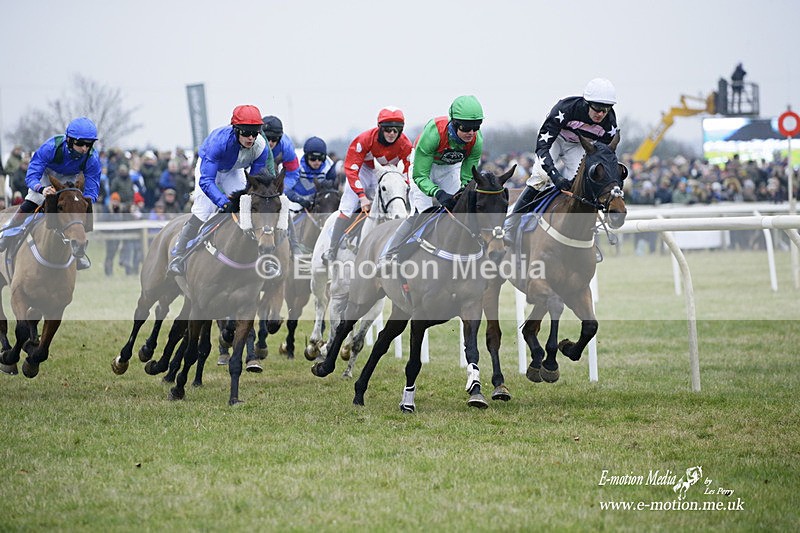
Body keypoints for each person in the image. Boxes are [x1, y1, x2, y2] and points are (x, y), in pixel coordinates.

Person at [167, 104, 275, 275]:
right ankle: (178, 255)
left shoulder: (260, 147)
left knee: (245, 207)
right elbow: (207, 180)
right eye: (246, 132)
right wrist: (222, 202)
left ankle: (261, 256)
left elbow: (255, 184)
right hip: (209, 172)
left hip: (233, 171)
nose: (251, 138)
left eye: (255, 133)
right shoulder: (219, 143)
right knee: (204, 210)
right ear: (236, 129)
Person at [380, 95, 484, 264]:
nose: (471, 133)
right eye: (466, 128)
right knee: (423, 214)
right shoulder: (433, 134)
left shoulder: (476, 141)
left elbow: (467, 177)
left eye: (476, 127)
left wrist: (462, 193)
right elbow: (420, 175)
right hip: (423, 168)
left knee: (459, 210)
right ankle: (389, 253)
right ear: (455, 124)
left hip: (450, 168)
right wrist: (438, 192)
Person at [507, 78, 619, 221]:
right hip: (555, 139)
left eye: (606, 109)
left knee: (582, 184)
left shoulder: (609, 124)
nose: (601, 114)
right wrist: (555, 176)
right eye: (597, 108)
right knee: (541, 177)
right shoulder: (565, 109)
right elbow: (542, 147)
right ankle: (512, 222)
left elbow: (602, 157)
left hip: (578, 145)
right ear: (587, 103)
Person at [0, 117, 101, 270]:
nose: (85, 149)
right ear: (69, 140)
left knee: (81, 210)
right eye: (80, 144)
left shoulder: (92, 158)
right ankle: (7, 234)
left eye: (89, 144)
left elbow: (93, 184)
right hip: (46, 176)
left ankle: (78, 252)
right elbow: (32, 174)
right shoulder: (50, 148)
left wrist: (86, 200)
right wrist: (41, 188)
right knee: (32, 200)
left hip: (70, 181)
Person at [322, 106, 413, 263]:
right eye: (388, 129)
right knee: (348, 206)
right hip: (363, 171)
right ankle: (332, 248)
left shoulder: (405, 144)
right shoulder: (364, 139)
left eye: (396, 130)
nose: (392, 133)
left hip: (388, 174)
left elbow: (407, 171)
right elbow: (351, 168)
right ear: (380, 128)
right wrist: (362, 196)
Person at [261, 115, 300, 185]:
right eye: (267, 138)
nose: (270, 142)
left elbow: (292, 174)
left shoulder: (287, 148)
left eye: (274, 139)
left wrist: (280, 188)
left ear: (280, 138)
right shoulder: (251, 141)